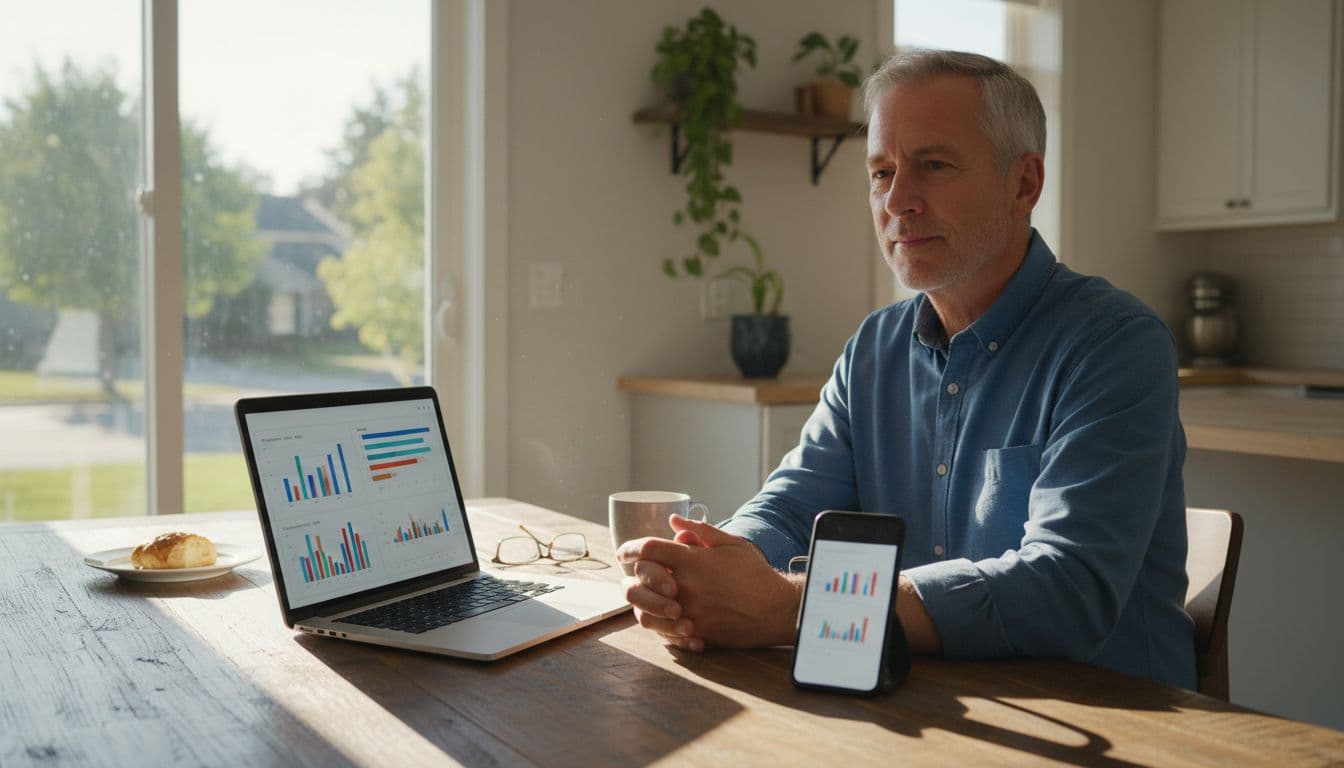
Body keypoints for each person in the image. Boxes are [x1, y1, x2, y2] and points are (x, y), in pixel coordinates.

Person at [618, 49, 1195, 689]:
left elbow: (1066, 587)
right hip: (928, 704)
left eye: (934, 165)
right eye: (881, 172)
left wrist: (793, 607)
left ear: (1024, 184)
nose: (898, 200)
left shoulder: (1115, 344)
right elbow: (788, 509)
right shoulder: (874, 348)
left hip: (1116, 721)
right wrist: (706, 567)